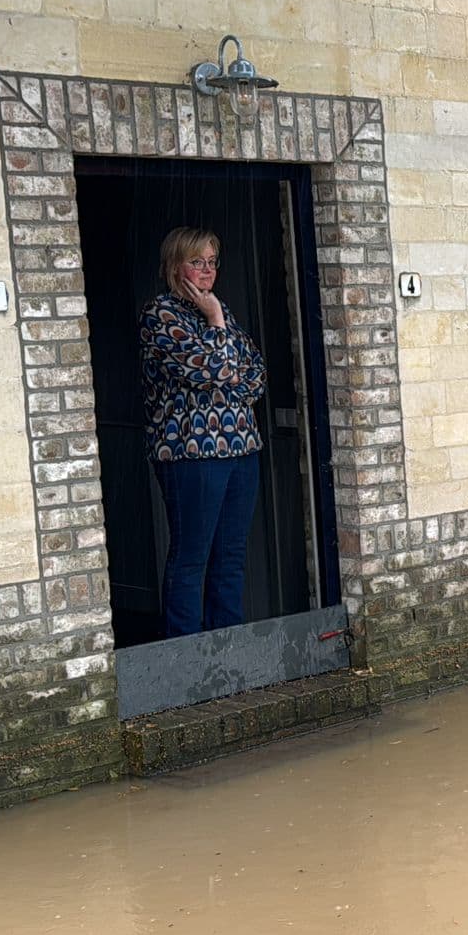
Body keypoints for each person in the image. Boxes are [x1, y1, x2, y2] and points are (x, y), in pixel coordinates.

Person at [139, 226, 268, 638]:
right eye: (197, 262)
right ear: (175, 266)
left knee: (230, 557)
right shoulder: (160, 315)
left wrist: (219, 349)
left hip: (241, 449)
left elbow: (255, 378)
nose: (207, 271)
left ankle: (226, 652)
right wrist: (215, 326)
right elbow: (213, 369)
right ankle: (185, 657)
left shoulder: (220, 311)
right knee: (191, 557)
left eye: (212, 262)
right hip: (191, 455)